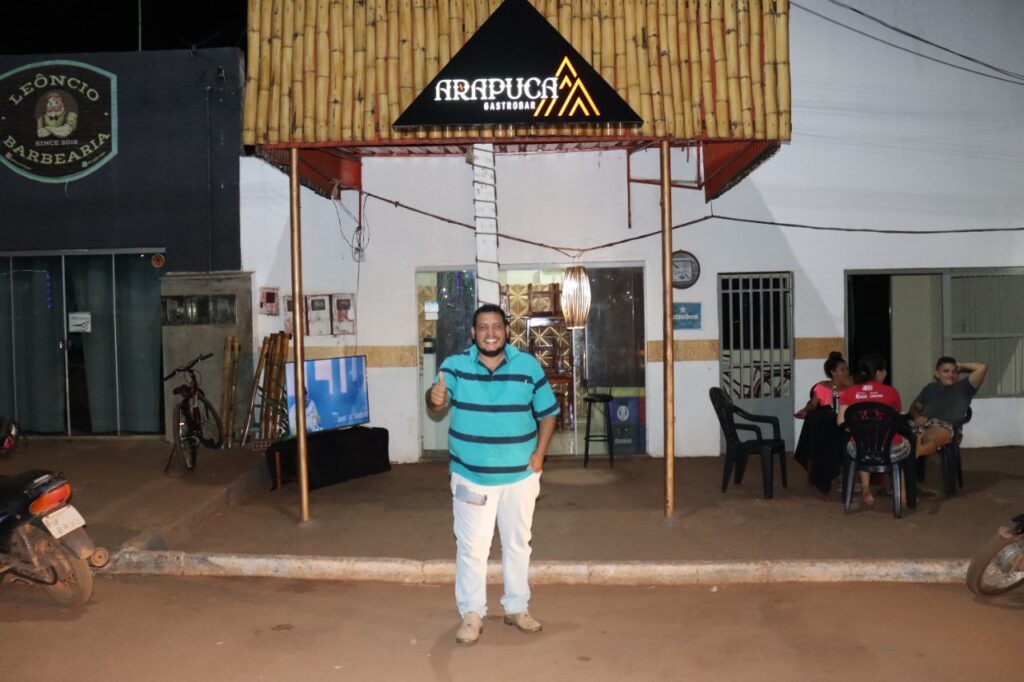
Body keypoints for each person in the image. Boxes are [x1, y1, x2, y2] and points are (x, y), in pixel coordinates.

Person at [426, 303, 559, 646]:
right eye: (483, 327)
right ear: (473, 333)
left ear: (506, 331)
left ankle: (517, 607)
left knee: (518, 544)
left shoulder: (527, 366)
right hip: (471, 477)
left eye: (496, 326)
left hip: (520, 477)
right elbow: (437, 399)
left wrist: (539, 455)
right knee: (472, 548)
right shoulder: (455, 366)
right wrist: (435, 397)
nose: (490, 333)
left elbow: (548, 413)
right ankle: (472, 613)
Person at [837, 353, 908, 507]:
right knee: (907, 445)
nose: (886, 373)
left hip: (859, 450)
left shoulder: (849, 392)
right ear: (878, 372)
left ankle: (866, 490)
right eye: (884, 370)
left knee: (862, 442)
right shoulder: (891, 392)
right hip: (890, 449)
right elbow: (895, 419)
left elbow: (841, 422)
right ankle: (902, 495)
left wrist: (860, 432)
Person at [793, 352, 852, 497]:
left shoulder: (850, 388)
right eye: (842, 370)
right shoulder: (822, 387)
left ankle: (843, 475)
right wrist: (805, 410)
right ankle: (833, 475)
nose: (846, 372)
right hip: (826, 427)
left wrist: (851, 386)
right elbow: (813, 404)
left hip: (844, 425)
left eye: (847, 369)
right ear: (833, 372)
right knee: (826, 438)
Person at [909, 357, 987, 457]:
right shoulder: (930, 387)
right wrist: (917, 417)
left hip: (946, 427)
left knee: (934, 434)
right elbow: (915, 407)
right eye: (946, 371)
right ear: (937, 374)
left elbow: (982, 368)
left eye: (954, 371)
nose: (950, 374)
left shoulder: (964, 387)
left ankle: (918, 451)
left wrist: (961, 366)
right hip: (921, 424)